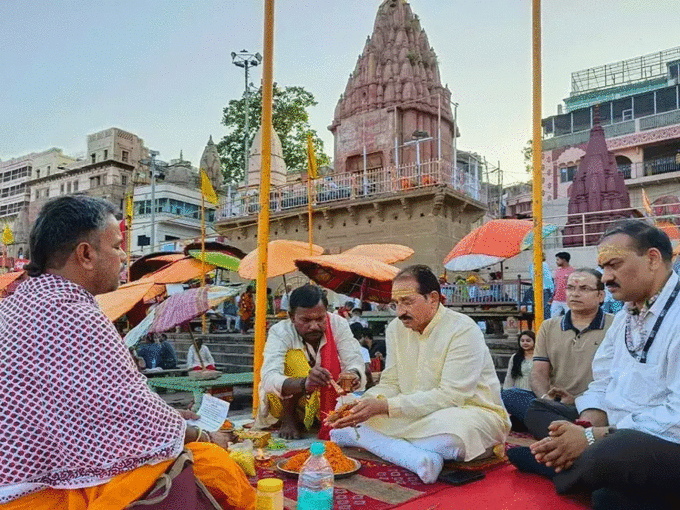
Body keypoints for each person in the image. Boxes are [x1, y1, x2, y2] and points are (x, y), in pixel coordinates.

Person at [0, 196, 255, 509]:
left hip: (19, 477)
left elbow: (94, 411)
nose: (123, 256)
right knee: (215, 465)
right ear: (86, 254)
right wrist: (202, 436)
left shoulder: (13, 306)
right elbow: (132, 414)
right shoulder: (76, 314)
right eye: (118, 245)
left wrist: (169, 418)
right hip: (40, 491)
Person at [508, 220, 680, 510]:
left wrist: (591, 438)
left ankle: (563, 467)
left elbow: (676, 416)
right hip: (611, 425)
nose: (607, 277)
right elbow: (601, 381)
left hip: (658, 437)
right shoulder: (626, 317)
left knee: (615, 455)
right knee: (537, 407)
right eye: (604, 268)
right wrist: (583, 426)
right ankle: (584, 464)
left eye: (614, 265)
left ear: (652, 259)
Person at [328, 265, 510, 484]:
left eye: (407, 302)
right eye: (396, 304)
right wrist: (366, 403)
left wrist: (385, 407)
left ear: (433, 298)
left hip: (466, 411)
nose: (400, 311)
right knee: (350, 410)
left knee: (455, 437)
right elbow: (391, 383)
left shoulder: (463, 329)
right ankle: (418, 458)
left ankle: (382, 445)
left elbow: (451, 396)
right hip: (411, 412)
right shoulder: (396, 328)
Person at [256, 284, 366, 440]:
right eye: (305, 320)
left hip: (327, 398)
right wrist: (305, 383)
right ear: (292, 317)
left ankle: (325, 417)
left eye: (320, 319)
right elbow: (269, 378)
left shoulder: (338, 324)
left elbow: (354, 360)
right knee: (295, 359)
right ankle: (289, 418)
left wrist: (353, 374)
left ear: (326, 313)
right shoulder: (280, 331)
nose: (314, 326)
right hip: (286, 404)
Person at [525, 268, 614, 438]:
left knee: (534, 414)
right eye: (570, 288)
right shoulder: (548, 326)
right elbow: (539, 372)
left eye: (584, 289)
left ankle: (571, 435)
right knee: (513, 397)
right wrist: (546, 398)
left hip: (596, 405)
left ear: (600, 296)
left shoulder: (615, 325)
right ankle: (576, 435)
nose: (575, 294)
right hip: (558, 405)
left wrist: (578, 400)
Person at [501, 330, 536, 425]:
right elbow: (509, 376)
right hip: (518, 390)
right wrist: (506, 392)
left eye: (528, 341)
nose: (525, 343)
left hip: (534, 391)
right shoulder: (515, 357)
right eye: (522, 341)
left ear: (534, 341)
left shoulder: (539, 357)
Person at [530, 254, 555, 319]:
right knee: (546, 307)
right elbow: (548, 278)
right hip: (545, 288)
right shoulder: (544, 264)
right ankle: (547, 323)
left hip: (536, 289)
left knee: (538, 307)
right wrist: (552, 289)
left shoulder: (532, 266)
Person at [551, 252, 575, 317]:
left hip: (568, 300)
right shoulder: (557, 271)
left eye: (558, 260)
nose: (556, 262)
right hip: (557, 299)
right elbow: (556, 285)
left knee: (570, 319)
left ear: (564, 260)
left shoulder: (573, 271)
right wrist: (553, 296)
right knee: (553, 319)